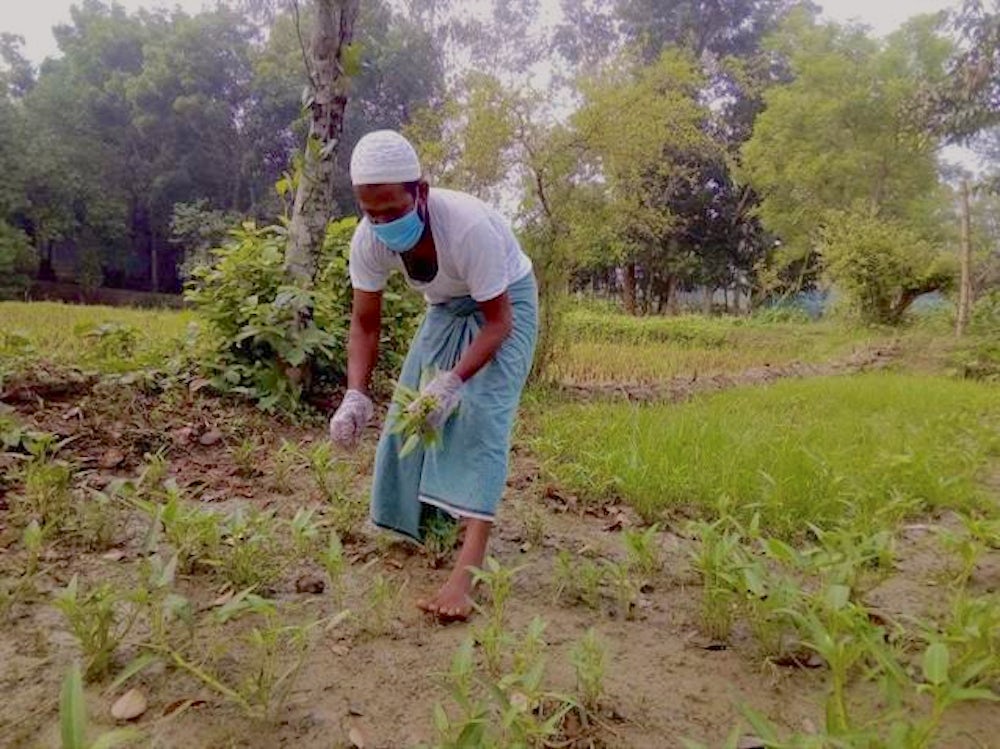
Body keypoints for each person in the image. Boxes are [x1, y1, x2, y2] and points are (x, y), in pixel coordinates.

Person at [328, 129, 538, 621]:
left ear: (420, 191)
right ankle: (431, 523)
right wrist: (355, 393)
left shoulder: (465, 227)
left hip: (507, 303)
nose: (380, 221)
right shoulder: (370, 240)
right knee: (413, 413)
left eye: (391, 209)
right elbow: (364, 323)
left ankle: (467, 575)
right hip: (445, 308)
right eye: (368, 210)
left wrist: (453, 382)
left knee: (480, 419)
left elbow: (498, 322)